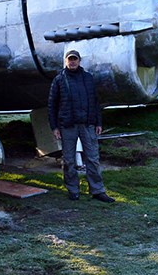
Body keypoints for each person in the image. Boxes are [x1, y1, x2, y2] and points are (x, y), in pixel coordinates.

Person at [47, 49, 116, 203]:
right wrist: (54, 127)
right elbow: (52, 105)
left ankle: (98, 191)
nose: (72, 62)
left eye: (75, 59)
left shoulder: (88, 78)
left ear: (79, 61)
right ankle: (73, 190)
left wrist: (98, 122)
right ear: (65, 61)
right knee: (69, 160)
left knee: (93, 158)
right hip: (68, 126)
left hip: (87, 124)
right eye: (69, 59)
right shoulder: (59, 80)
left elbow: (95, 102)